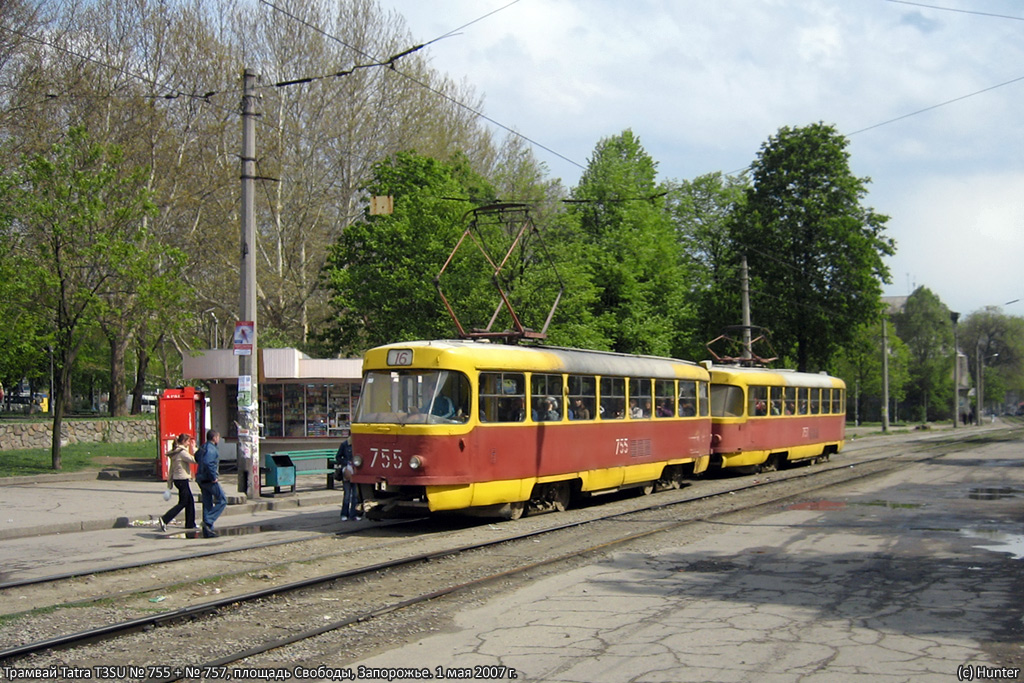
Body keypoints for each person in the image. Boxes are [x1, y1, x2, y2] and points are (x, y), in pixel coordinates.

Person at [159, 433, 197, 532]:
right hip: (182, 480)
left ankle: (190, 523)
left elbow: (171, 469)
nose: (189, 444)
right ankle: (165, 519)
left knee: (190, 502)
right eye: (188, 441)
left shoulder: (175, 452)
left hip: (178, 479)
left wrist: (170, 482)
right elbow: (194, 460)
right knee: (183, 502)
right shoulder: (182, 452)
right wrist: (194, 449)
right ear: (183, 442)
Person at [195, 429, 226, 538]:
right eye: (218, 437)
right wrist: (213, 477)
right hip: (209, 479)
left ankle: (207, 530)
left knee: (207, 502)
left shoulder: (203, 447)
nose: (218, 439)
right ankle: (208, 521)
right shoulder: (211, 449)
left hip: (200, 477)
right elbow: (209, 463)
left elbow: (196, 456)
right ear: (214, 438)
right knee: (222, 500)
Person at [335, 432, 361, 521]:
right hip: (347, 470)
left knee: (355, 495)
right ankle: (344, 514)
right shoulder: (345, 444)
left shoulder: (359, 444)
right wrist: (345, 464)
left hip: (356, 471)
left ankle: (353, 514)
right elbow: (338, 457)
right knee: (347, 495)